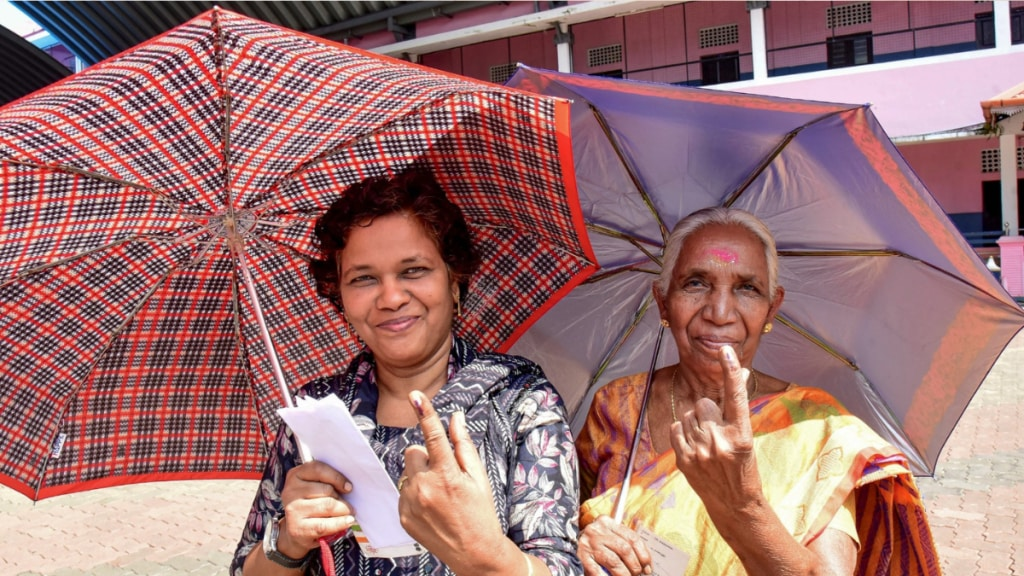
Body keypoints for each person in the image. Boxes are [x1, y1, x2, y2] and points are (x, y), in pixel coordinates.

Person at [230, 168, 583, 576]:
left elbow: (559, 566)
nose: (391, 297)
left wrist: (485, 554)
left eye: (413, 270)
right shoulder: (316, 416)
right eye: (363, 278)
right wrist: (289, 541)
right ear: (340, 295)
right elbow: (245, 568)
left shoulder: (520, 400)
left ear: (455, 280)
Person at [575, 207, 940, 576]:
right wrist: (582, 539)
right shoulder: (617, 406)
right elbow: (558, 529)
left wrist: (742, 504)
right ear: (663, 301)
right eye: (696, 283)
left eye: (747, 288)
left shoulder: (816, 427)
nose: (719, 313)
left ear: (771, 308)